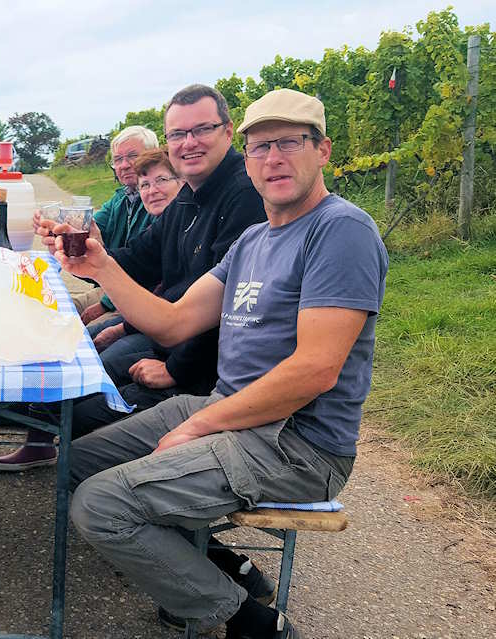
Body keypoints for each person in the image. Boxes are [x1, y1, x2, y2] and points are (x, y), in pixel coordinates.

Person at [66, 88, 388, 639]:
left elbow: (315, 369)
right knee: (78, 461)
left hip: (296, 443)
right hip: (230, 413)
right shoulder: (253, 240)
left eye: (290, 143)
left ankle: (250, 622)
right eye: (260, 147)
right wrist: (101, 266)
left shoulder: (342, 231)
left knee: (101, 504)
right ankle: (212, 569)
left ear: (324, 150)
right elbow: (170, 323)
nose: (274, 159)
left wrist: (197, 425)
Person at [0, 86, 265, 471]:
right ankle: (54, 436)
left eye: (201, 129)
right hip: (164, 342)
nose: (189, 143)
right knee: (67, 380)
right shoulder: (190, 194)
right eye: (177, 134)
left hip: (203, 371)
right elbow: (138, 261)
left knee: (77, 405)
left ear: (228, 130)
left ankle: (122, 480)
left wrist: (175, 371)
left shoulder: (244, 195)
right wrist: (92, 255)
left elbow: (228, 310)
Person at [73, 125, 160, 326]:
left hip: (142, 294)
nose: (124, 165)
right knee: (54, 308)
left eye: (132, 156)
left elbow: (148, 269)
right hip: (112, 286)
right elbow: (87, 228)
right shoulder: (121, 198)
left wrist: (105, 304)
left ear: (152, 157)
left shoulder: (160, 201)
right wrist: (59, 230)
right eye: (118, 159)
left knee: (85, 335)